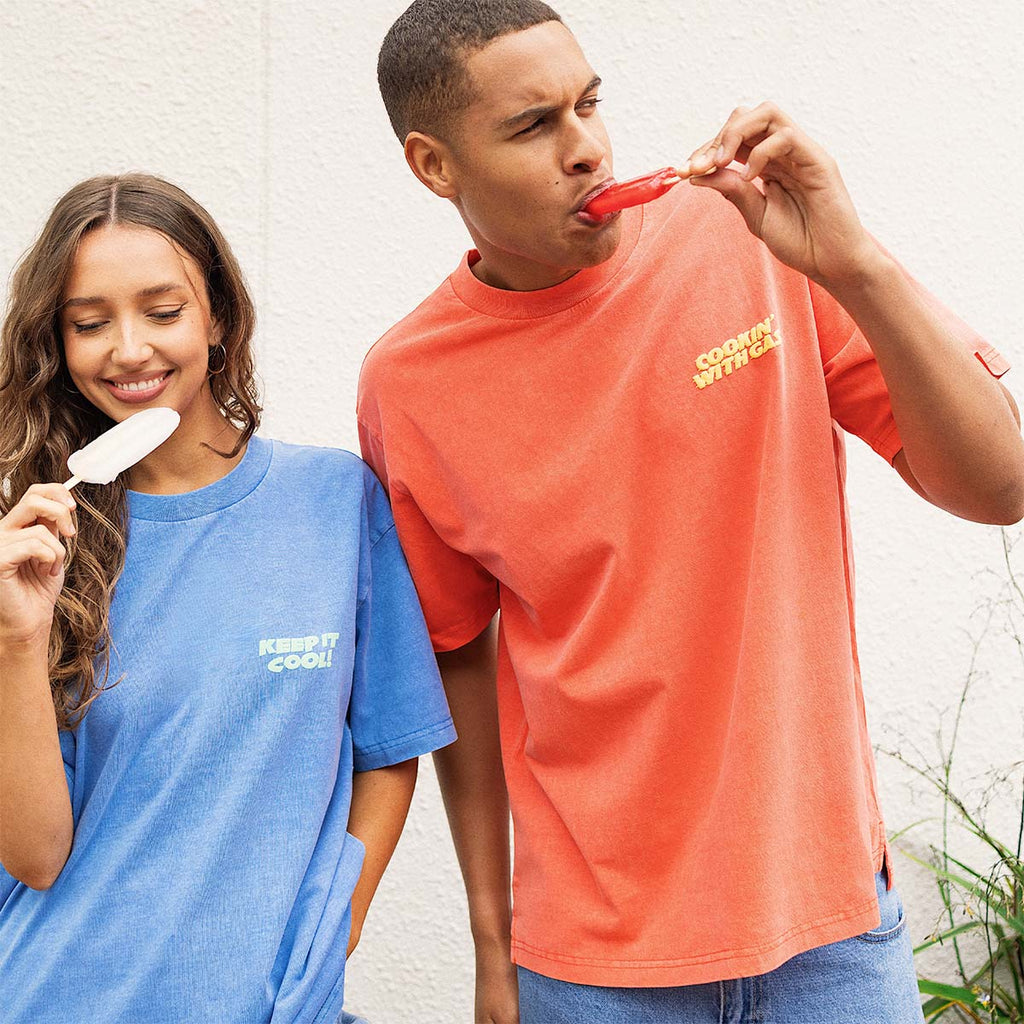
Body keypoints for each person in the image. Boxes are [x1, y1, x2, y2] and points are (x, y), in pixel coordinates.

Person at [358, 2, 1024, 1021]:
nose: (586, 148)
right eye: (533, 126)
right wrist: (494, 945)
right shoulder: (411, 383)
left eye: (588, 104)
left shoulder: (751, 241)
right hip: (592, 969)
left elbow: (1000, 485)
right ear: (433, 166)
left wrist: (855, 261)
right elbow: (457, 659)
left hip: (831, 935)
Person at [0, 173, 456, 1024]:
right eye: (89, 324)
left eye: (162, 311)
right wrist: (16, 639)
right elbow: (35, 856)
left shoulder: (335, 502)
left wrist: (329, 939)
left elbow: (389, 751)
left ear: (217, 316)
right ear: (57, 344)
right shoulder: (30, 558)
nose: (128, 349)